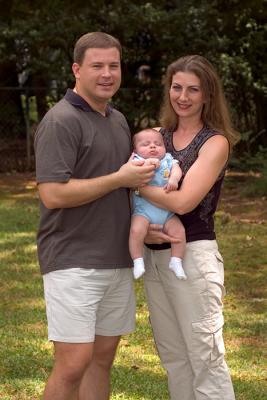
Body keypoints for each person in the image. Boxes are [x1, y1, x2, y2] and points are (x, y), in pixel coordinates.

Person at [34, 32, 157, 400]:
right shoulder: (61, 121)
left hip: (117, 258)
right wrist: (119, 178)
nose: (107, 74)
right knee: (73, 363)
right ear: (77, 69)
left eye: (114, 66)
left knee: (102, 360)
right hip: (72, 259)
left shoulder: (118, 120)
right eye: (97, 66)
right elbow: (52, 194)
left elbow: (128, 186)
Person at [139, 55, 240, 400]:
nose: (183, 96)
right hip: (154, 258)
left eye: (193, 89)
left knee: (205, 359)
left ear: (208, 95)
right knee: (174, 358)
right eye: (177, 87)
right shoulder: (156, 137)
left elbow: (184, 202)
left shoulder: (215, 142)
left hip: (194, 259)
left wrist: (134, 185)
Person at [129, 128, 187, 280]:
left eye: (157, 144)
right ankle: (138, 260)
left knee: (179, 231)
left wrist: (174, 179)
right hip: (144, 211)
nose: (153, 146)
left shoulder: (168, 159)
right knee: (136, 231)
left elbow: (177, 170)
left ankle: (176, 261)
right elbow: (134, 176)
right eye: (146, 144)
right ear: (136, 150)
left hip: (167, 212)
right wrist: (148, 163)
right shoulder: (136, 160)